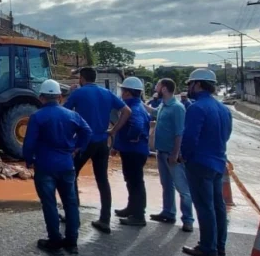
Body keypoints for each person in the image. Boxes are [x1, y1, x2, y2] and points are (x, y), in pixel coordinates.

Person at [23, 79, 93, 254]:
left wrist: (28, 160)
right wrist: (77, 147)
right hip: (67, 165)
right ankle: (71, 242)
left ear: (41, 97)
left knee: (49, 204)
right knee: (70, 203)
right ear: (60, 97)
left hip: (45, 165)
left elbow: (29, 143)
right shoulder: (72, 115)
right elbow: (87, 131)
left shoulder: (37, 116)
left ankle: (55, 241)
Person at [63, 67, 131, 233]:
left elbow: (63, 113)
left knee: (71, 176)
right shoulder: (106, 93)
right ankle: (105, 220)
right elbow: (126, 111)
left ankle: (73, 215)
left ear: (82, 78)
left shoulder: (78, 93)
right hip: (102, 142)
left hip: (84, 142)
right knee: (102, 180)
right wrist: (113, 130)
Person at [181, 69, 233, 256]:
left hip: (200, 163)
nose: (189, 88)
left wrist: (185, 157)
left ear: (199, 84)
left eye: (190, 84)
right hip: (218, 162)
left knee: (204, 206)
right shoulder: (223, 109)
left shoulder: (197, 108)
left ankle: (207, 246)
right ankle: (219, 245)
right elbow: (226, 135)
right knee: (218, 205)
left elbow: (190, 138)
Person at [144, 78, 193, 232]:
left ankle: (188, 220)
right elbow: (153, 112)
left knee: (182, 188)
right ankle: (169, 212)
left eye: (158, 85)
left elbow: (179, 133)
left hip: (171, 153)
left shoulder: (177, 108)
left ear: (164, 89)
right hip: (161, 151)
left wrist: (175, 153)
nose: (156, 88)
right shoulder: (163, 106)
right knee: (166, 185)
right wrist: (141, 103)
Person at [111, 77, 152, 226]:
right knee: (131, 181)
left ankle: (138, 215)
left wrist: (131, 138)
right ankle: (132, 208)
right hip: (133, 150)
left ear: (127, 92)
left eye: (123, 91)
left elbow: (136, 126)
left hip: (133, 151)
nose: (121, 93)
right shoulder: (137, 105)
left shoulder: (133, 108)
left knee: (135, 183)